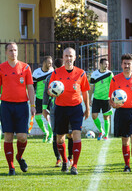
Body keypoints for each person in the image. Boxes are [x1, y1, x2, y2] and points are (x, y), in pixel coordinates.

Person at [0, 42, 36, 176]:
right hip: (6, 106)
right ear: (6, 52)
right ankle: (11, 167)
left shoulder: (25, 67)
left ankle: (19, 157)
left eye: (15, 50)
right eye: (10, 50)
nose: (13, 52)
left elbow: (30, 87)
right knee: (8, 137)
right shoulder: (0, 68)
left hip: (22, 106)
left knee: (22, 137)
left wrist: (33, 105)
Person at [49, 47, 90, 175]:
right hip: (60, 108)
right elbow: (49, 90)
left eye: (70, 56)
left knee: (76, 134)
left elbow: (85, 92)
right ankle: (65, 161)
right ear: (63, 57)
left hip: (76, 108)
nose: (68, 59)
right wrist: (53, 92)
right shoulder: (56, 73)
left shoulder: (81, 73)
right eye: (66, 56)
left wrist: (87, 108)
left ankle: (75, 166)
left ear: (75, 57)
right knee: (60, 138)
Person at [109, 53, 132, 173]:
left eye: (129, 64)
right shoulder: (115, 79)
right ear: (121, 65)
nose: (127, 66)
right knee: (125, 140)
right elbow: (111, 99)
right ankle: (127, 165)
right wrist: (114, 105)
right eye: (124, 63)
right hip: (121, 112)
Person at [42, 58, 73, 167]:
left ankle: (70, 157)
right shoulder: (49, 77)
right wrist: (44, 108)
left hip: (68, 108)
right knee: (56, 135)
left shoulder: (69, 76)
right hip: (54, 110)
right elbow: (45, 93)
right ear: (54, 68)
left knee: (70, 134)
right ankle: (59, 159)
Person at [89, 58, 114, 140]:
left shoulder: (110, 74)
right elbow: (91, 87)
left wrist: (112, 98)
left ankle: (106, 135)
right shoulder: (94, 74)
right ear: (100, 64)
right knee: (94, 116)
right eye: (105, 64)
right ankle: (101, 131)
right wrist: (89, 99)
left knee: (106, 117)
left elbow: (113, 86)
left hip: (106, 99)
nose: (107, 65)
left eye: (107, 64)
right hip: (96, 99)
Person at [33, 56, 54, 143]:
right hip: (39, 98)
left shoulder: (53, 72)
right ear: (44, 63)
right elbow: (33, 86)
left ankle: (51, 136)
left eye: (51, 63)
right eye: (49, 63)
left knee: (49, 117)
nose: (50, 65)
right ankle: (46, 132)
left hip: (49, 98)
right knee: (37, 117)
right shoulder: (36, 72)